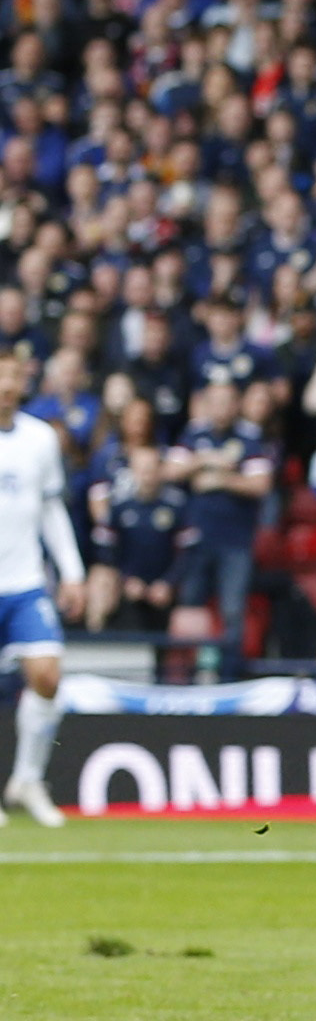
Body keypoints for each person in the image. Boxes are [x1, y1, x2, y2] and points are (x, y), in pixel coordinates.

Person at [0, 349, 85, 825]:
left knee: (48, 675)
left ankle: (27, 779)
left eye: (13, 377)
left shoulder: (40, 439)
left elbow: (52, 508)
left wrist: (71, 571)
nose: (6, 387)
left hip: (25, 581)